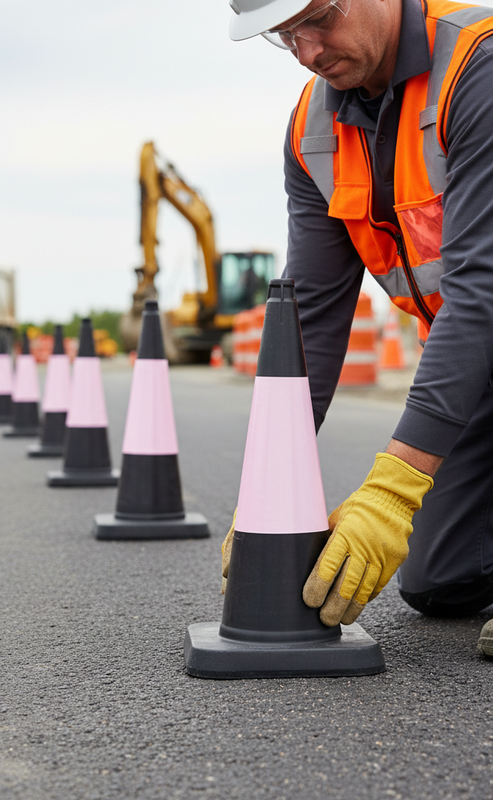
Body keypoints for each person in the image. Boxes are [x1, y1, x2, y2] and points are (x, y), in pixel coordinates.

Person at [221, 0, 493, 655]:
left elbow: (481, 288)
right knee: (441, 579)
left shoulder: (477, 66)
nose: (309, 52)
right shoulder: (313, 131)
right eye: (286, 35)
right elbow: (313, 315)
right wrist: (265, 485)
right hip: (481, 364)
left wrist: (392, 489)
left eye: (320, 16)